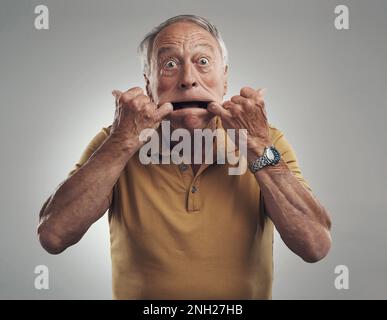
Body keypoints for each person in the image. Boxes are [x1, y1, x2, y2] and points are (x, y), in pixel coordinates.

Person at [37, 15, 332, 299]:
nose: (188, 79)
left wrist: (256, 147)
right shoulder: (115, 142)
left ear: (225, 79)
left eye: (203, 62)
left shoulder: (267, 141)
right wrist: (122, 142)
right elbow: (53, 235)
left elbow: (315, 246)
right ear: (148, 83)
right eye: (169, 64)